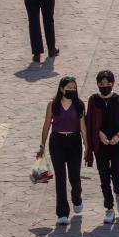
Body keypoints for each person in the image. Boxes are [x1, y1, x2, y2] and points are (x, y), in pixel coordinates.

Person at [85, 70, 119, 224]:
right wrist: (99, 134)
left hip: (116, 144)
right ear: (98, 84)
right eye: (101, 83)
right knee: (104, 177)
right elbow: (90, 121)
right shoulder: (93, 100)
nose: (104, 86)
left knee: (116, 175)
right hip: (100, 145)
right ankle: (109, 208)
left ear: (113, 83)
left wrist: (118, 135)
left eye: (107, 83)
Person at [38, 76, 86, 225]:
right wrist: (42, 145)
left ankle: (76, 198)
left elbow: (83, 127)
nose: (71, 90)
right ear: (61, 89)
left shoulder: (79, 105)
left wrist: (87, 146)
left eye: (74, 87)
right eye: (69, 87)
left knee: (74, 176)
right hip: (57, 141)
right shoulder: (53, 104)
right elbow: (47, 124)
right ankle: (62, 212)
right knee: (60, 177)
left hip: (74, 141)